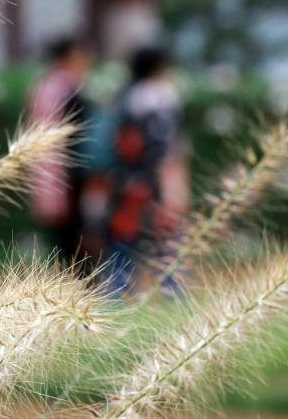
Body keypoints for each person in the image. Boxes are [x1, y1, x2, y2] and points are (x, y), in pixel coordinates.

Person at [81, 46, 189, 293]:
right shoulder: (161, 96)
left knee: (121, 244)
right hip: (154, 183)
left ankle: (116, 298)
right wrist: (173, 187)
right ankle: (172, 296)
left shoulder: (123, 97)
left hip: (122, 184)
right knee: (167, 245)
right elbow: (165, 148)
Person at [28, 37, 93, 259]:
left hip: (47, 168)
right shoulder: (70, 87)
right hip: (71, 170)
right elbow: (81, 132)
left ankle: (67, 283)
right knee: (78, 237)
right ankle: (82, 285)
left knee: (61, 239)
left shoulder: (43, 86)